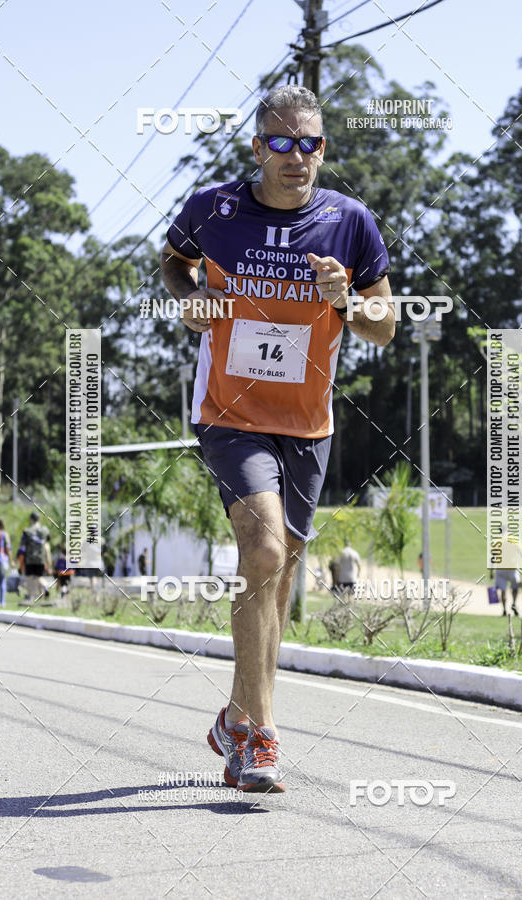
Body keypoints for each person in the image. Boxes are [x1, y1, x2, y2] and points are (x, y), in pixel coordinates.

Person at [161, 84, 395, 793]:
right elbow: (174, 262)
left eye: (311, 144)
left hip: (308, 424)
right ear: (259, 147)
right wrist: (188, 297)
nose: (298, 157)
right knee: (261, 550)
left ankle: (236, 714)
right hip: (230, 412)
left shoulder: (351, 223)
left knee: (278, 574)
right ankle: (259, 739)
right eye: (283, 143)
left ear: (323, 149)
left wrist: (344, 301)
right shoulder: (214, 208)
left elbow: (383, 326)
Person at [17, 511, 51, 603]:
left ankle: (31, 597)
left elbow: (22, 547)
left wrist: (19, 561)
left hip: (29, 559)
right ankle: (42, 596)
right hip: (41, 558)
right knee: (38, 577)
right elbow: (47, 544)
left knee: (29, 578)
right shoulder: (45, 530)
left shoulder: (26, 531)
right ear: (39, 519)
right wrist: (49, 562)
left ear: (31, 520)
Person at [0, 516, 12, 608]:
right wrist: (12, 560)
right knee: (2, 582)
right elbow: (8, 549)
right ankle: (2, 602)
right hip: (3, 561)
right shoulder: (4, 534)